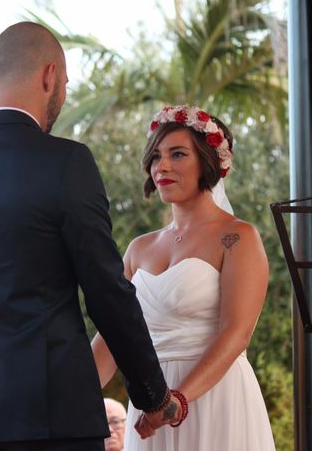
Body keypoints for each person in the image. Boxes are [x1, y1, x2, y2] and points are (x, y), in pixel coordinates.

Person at [0, 21, 180, 451]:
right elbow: (106, 292)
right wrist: (152, 395)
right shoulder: (67, 164)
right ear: (50, 76)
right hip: (51, 421)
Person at [91, 105, 276, 450]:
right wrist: (65, 395)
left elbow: (237, 334)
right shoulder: (138, 249)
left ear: (207, 160)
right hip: (149, 410)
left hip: (216, 399)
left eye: (177, 154)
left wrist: (176, 401)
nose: (162, 166)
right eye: (156, 156)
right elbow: (113, 340)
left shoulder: (238, 238)